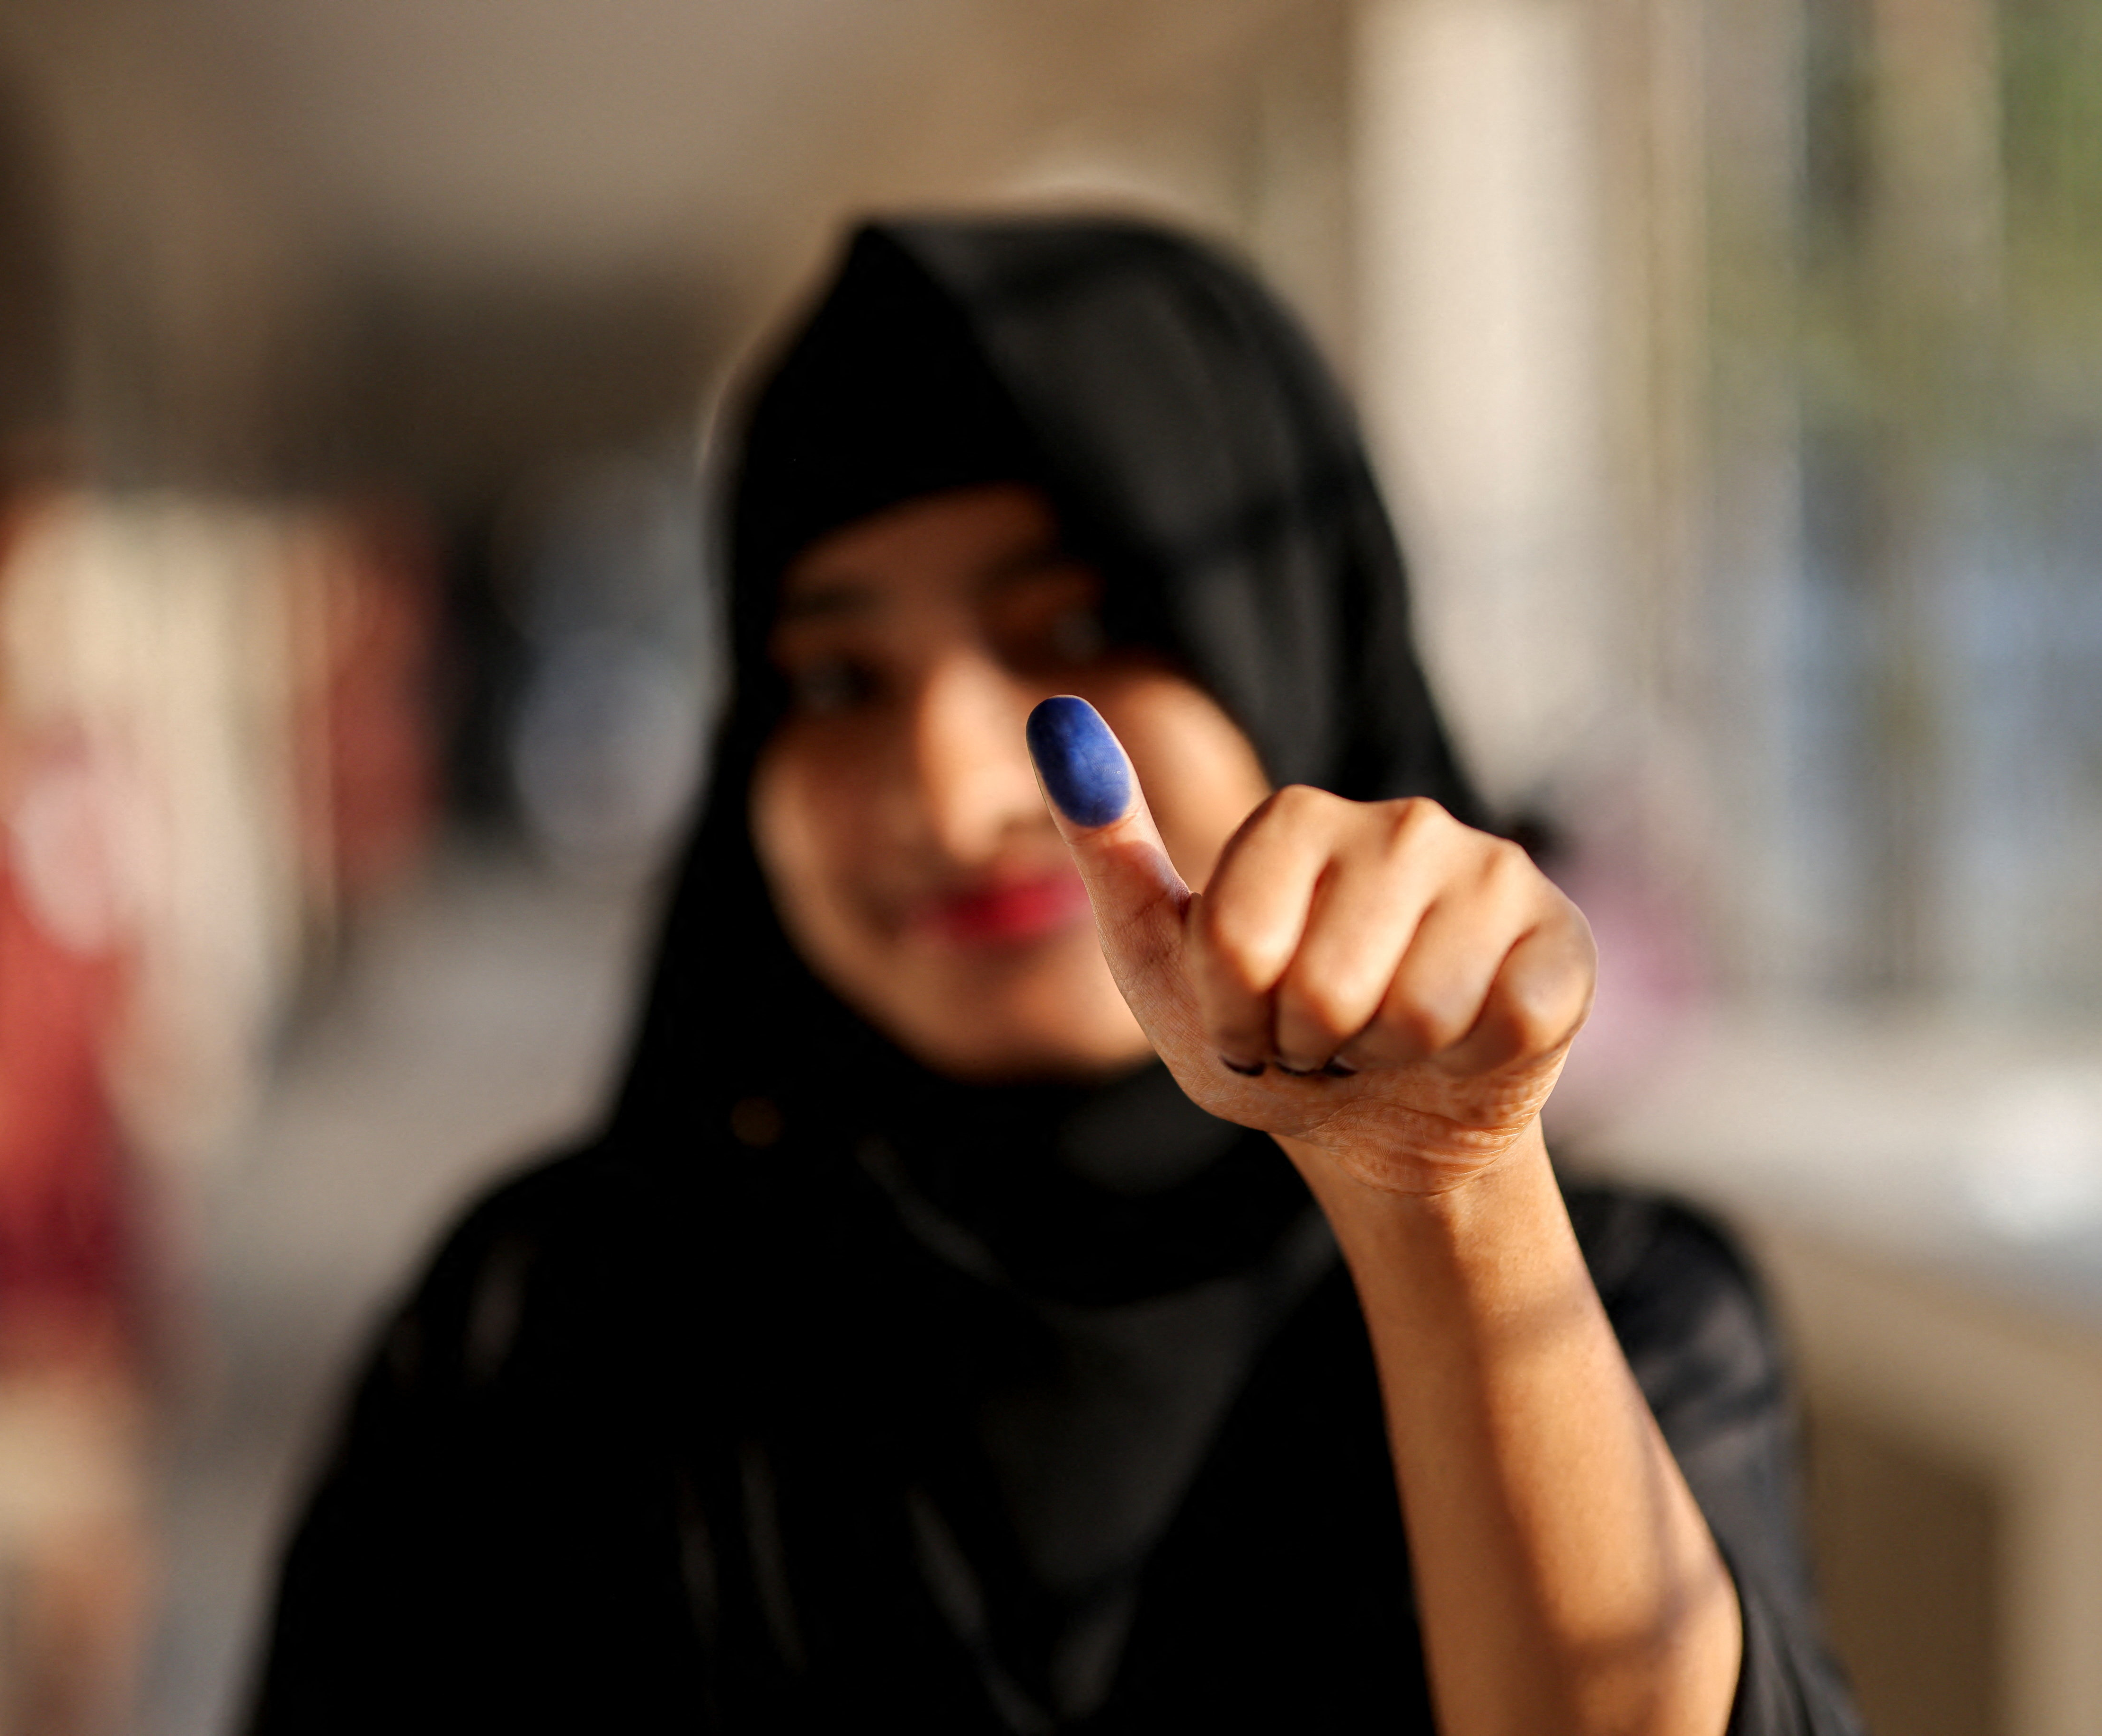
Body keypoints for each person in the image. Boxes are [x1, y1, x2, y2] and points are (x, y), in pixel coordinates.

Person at [246, 218, 1863, 1735]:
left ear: (1292, 650)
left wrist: (1444, 1198)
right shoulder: (553, 1323)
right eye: (831, 674)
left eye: (1074, 621)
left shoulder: (1610, 1311)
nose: (950, 792)